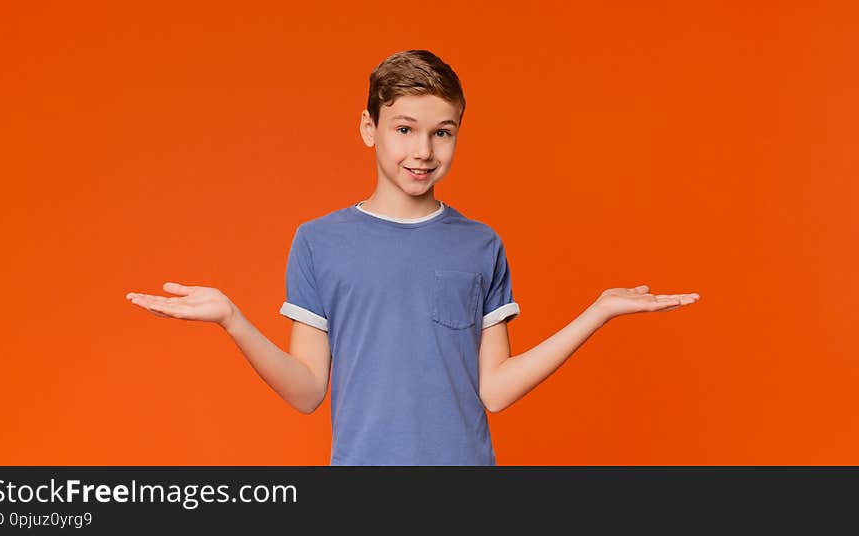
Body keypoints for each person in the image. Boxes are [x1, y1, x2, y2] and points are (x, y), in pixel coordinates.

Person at [125, 49, 700, 466]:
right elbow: (306, 391)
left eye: (442, 133)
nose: (423, 151)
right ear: (369, 128)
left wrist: (595, 312)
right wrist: (233, 319)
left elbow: (495, 390)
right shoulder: (318, 242)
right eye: (405, 129)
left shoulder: (481, 245)